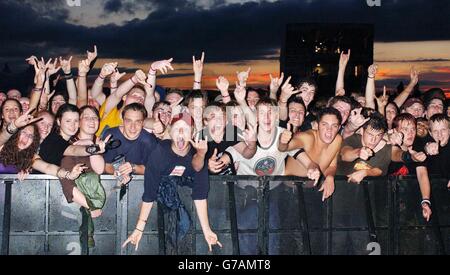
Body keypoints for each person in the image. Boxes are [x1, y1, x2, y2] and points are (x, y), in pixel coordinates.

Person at [122, 112, 222, 251]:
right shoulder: (160, 152)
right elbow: (149, 193)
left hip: (187, 204)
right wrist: (139, 228)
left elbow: (200, 194)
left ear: (193, 133)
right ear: (170, 132)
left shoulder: (198, 154)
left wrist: (207, 230)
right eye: (177, 128)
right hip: (160, 204)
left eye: (186, 128)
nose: (181, 132)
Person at [280, 107, 343, 201]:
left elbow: (332, 166)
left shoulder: (338, 140)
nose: (329, 130)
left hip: (313, 190)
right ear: (317, 125)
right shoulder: (307, 137)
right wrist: (283, 141)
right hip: (288, 191)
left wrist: (330, 177)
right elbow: (285, 147)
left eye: (334, 126)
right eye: (324, 124)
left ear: (338, 128)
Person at [337, 112, 392, 183]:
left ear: (382, 135)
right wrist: (358, 152)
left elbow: (380, 171)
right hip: (339, 185)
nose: (373, 140)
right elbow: (345, 155)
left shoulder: (386, 148)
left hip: (364, 190)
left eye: (378, 135)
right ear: (362, 131)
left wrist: (365, 173)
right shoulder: (353, 139)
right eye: (370, 134)